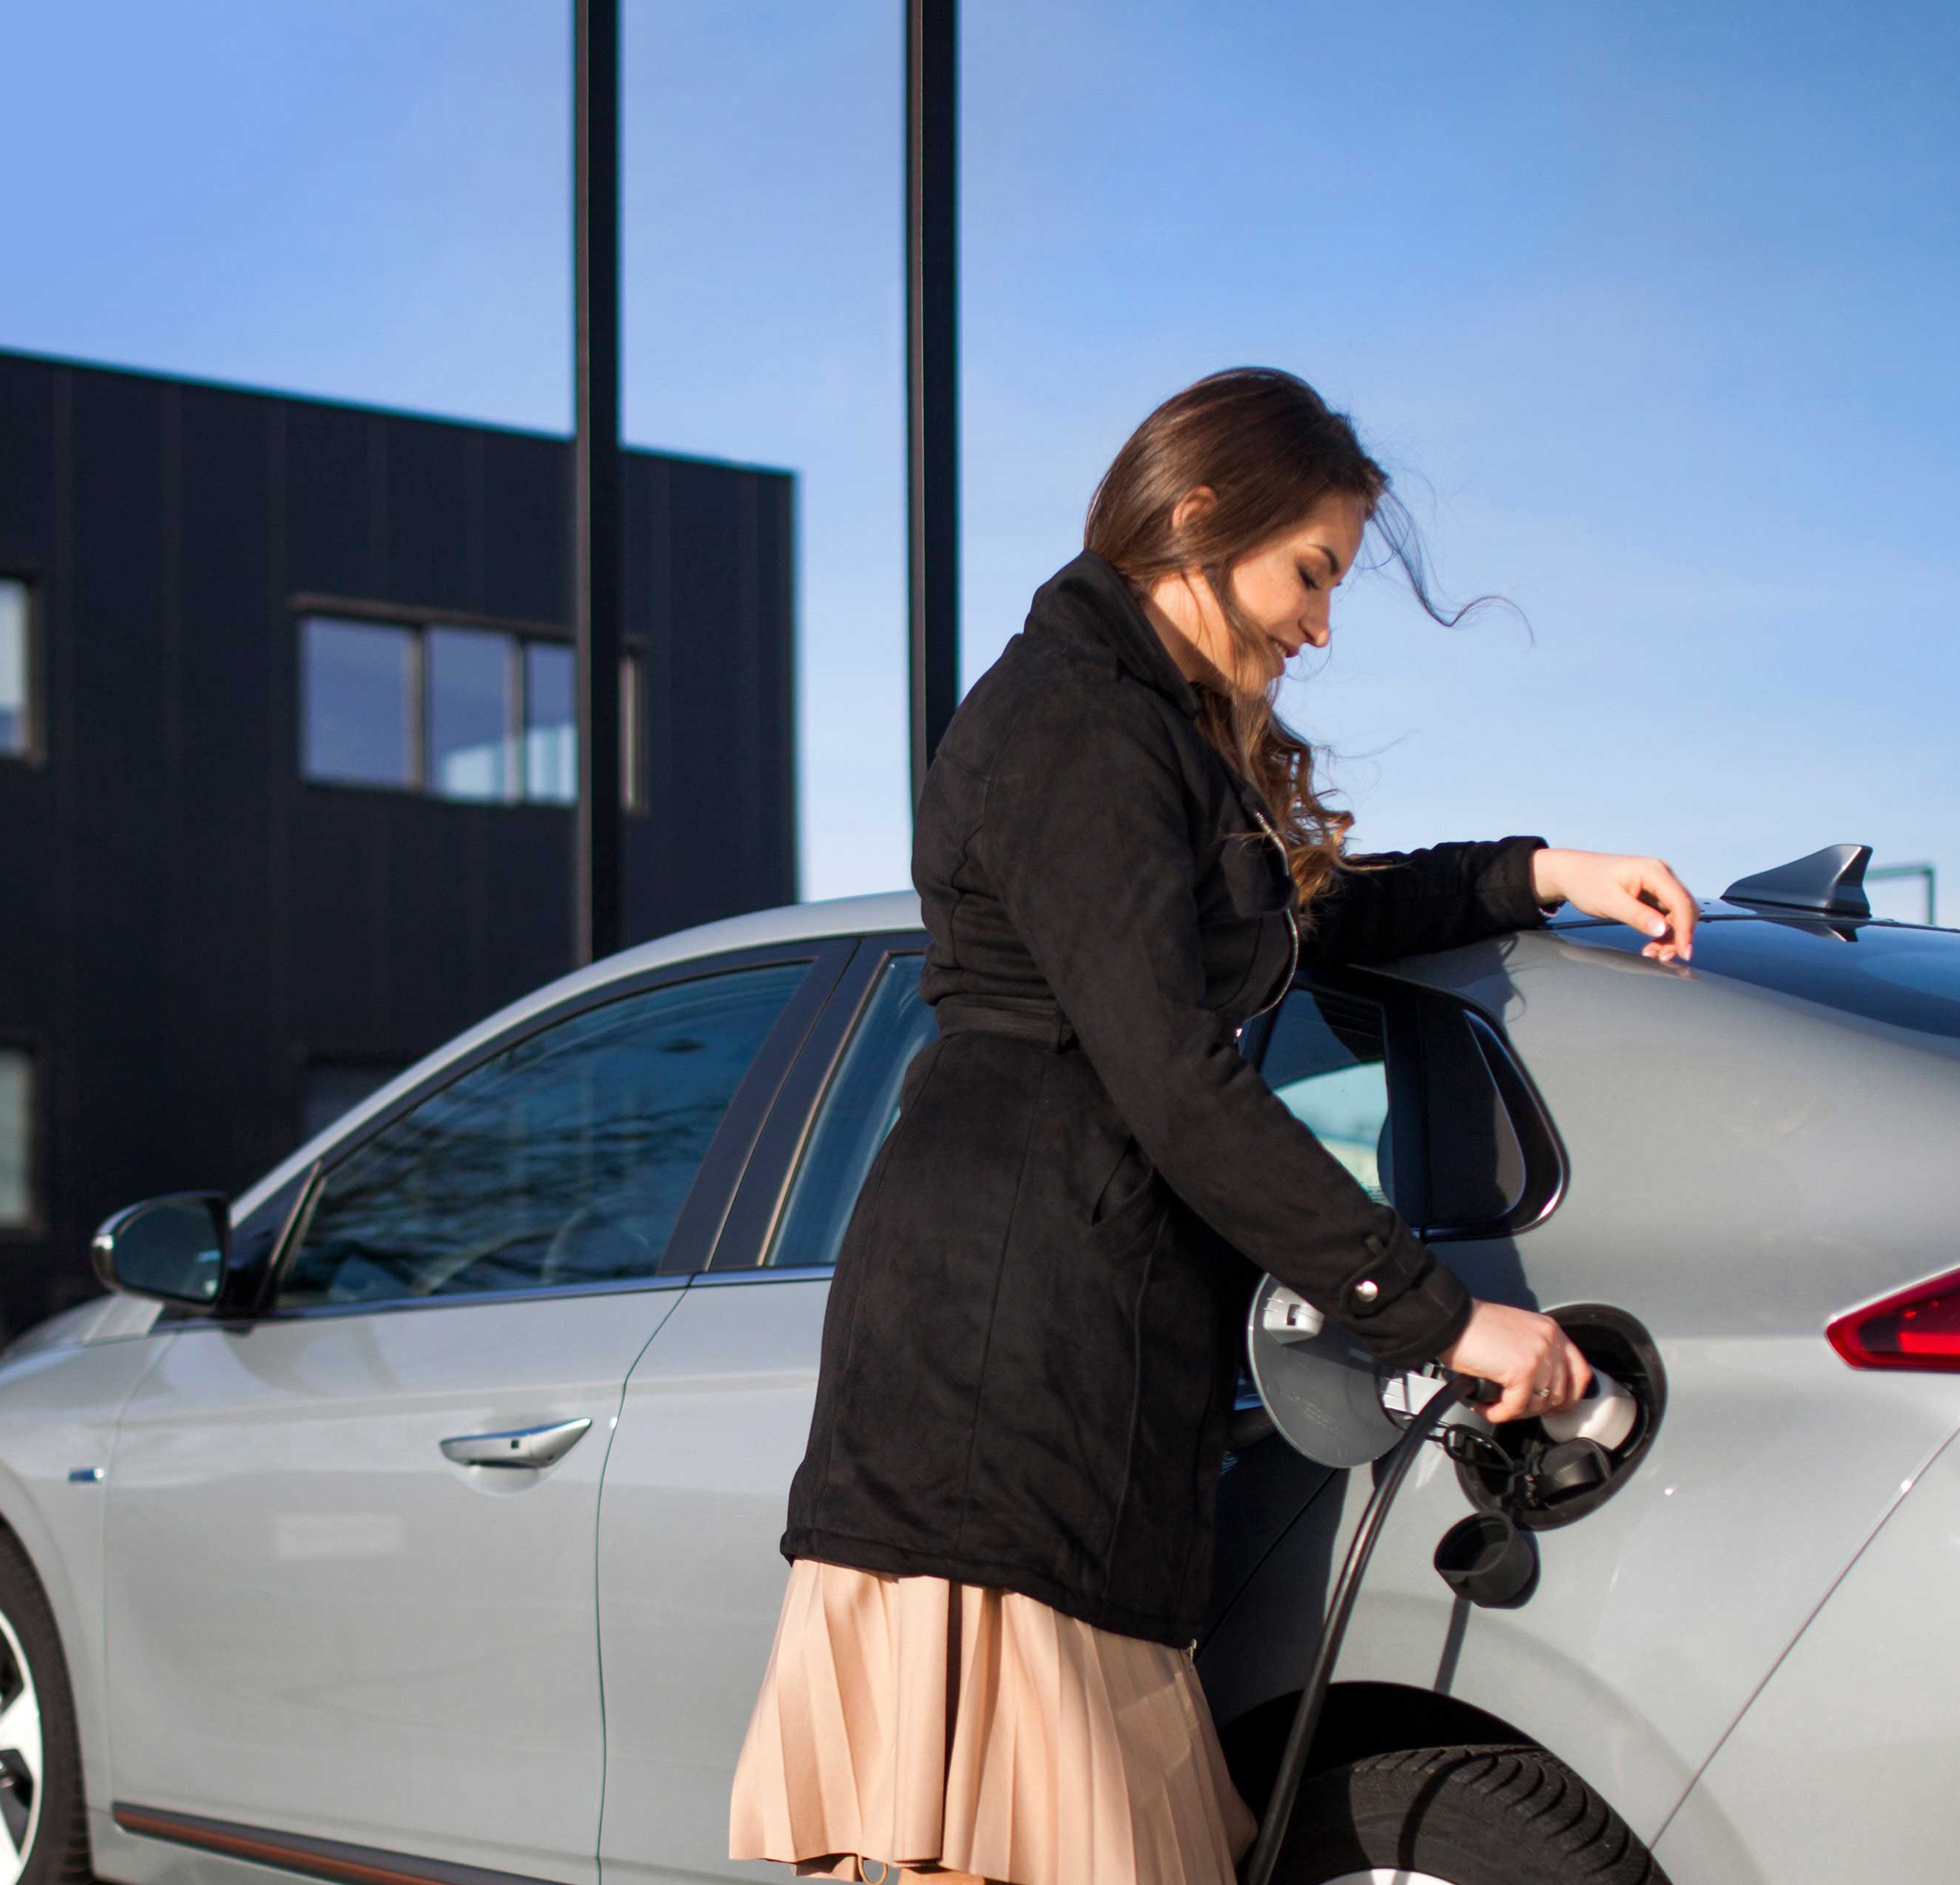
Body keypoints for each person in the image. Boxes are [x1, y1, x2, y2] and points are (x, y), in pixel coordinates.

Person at [725, 368, 1699, 1885]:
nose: (1320, 623)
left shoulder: (1150, 732)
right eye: (1311, 572)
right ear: (1196, 517)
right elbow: (1177, 1072)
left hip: (1078, 1357)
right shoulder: (1074, 727)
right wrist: (1441, 1317)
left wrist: (1533, 873)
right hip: (1002, 1361)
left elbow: (1288, 925)